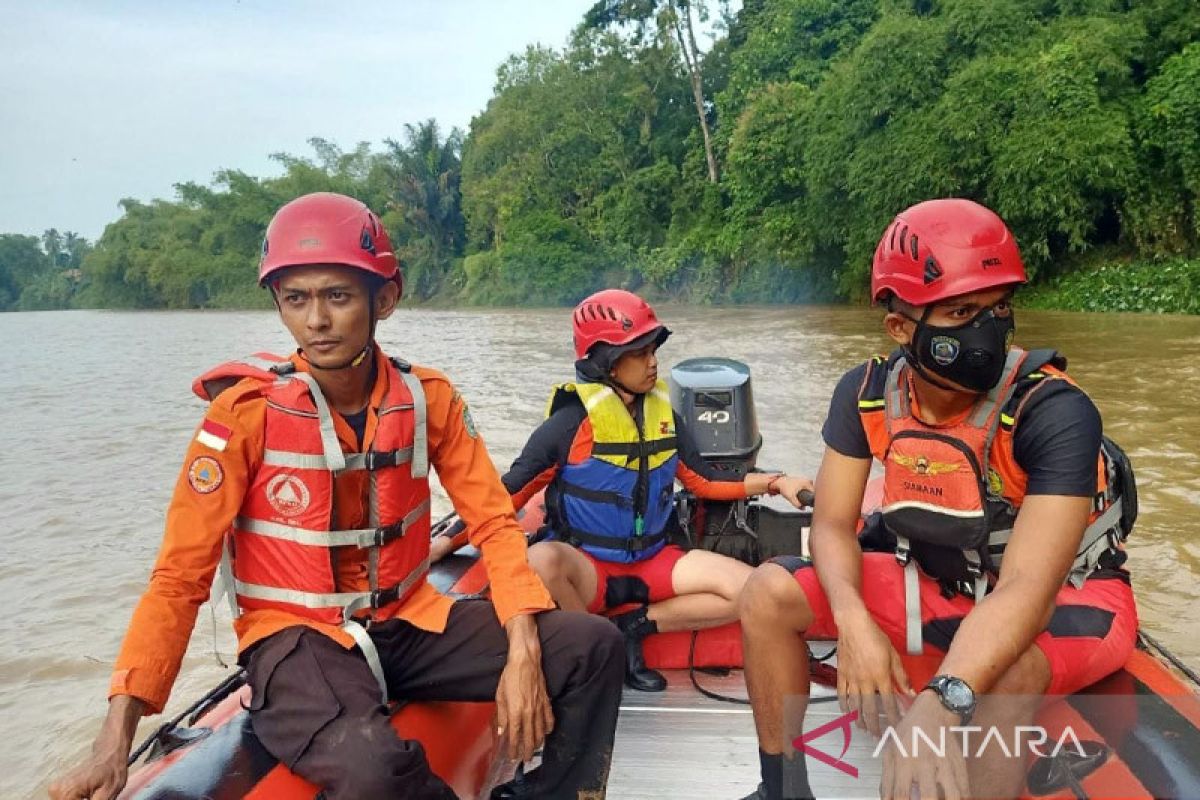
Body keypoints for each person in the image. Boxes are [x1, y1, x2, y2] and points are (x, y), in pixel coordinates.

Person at [49, 192, 624, 800]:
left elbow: (495, 523)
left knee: (592, 647)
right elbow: (177, 579)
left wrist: (525, 645)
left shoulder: (429, 398)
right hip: (295, 640)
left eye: (338, 296)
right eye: (296, 299)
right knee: (372, 769)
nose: (316, 321)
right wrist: (113, 744)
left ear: (385, 299)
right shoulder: (241, 417)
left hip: (407, 620)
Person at [737, 198, 1137, 799]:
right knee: (767, 592)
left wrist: (944, 698)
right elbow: (832, 526)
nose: (989, 328)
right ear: (901, 328)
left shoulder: (1052, 411)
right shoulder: (869, 392)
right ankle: (782, 789)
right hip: (938, 584)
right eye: (962, 311)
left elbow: (1031, 585)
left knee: (1008, 672)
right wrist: (853, 624)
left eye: (998, 306)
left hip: (1072, 598)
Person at [436, 289, 813, 692]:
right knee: (540, 559)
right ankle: (598, 651)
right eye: (638, 353)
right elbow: (500, 498)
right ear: (604, 361)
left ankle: (630, 628)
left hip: (653, 558)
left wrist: (776, 482)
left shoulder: (664, 416)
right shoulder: (568, 425)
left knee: (752, 589)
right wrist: (443, 543)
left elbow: (705, 482)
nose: (653, 363)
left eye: (653, 350)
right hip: (587, 567)